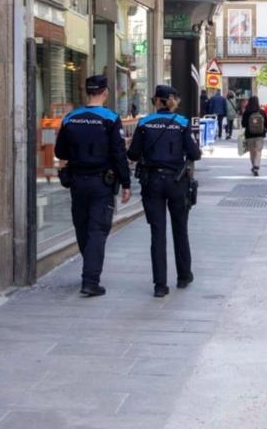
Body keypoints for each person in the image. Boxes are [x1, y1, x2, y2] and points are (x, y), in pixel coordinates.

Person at [54, 75, 132, 297]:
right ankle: (90, 280)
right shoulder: (110, 118)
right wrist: (126, 183)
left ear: (86, 92)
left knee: (82, 225)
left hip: (77, 181)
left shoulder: (70, 118)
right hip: (101, 182)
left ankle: (89, 265)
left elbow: (60, 152)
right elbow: (119, 154)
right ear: (105, 92)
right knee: (98, 229)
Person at [127, 85, 202, 297]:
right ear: (171, 101)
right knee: (180, 229)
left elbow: (132, 154)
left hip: (152, 182)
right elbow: (194, 153)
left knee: (157, 233)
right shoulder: (182, 123)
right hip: (177, 182)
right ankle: (183, 276)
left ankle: (160, 285)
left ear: (155, 101)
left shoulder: (143, 123)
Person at [241, 96, 267, 176]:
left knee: (252, 152)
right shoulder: (262, 112)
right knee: (258, 151)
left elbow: (243, 124)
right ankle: (256, 166)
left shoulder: (247, 112)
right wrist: (265, 129)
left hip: (249, 135)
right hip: (260, 134)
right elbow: (266, 123)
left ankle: (254, 166)